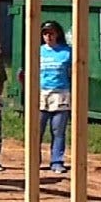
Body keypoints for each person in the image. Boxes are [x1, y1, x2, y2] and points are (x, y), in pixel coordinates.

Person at [38, 20, 72, 174]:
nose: (48, 36)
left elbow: (73, 73)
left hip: (61, 94)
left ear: (57, 34)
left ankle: (56, 161)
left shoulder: (67, 52)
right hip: (41, 93)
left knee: (58, 130)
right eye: (45, 33)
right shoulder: (37, 51)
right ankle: (34, 160)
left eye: (51, 33)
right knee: (36, 129)